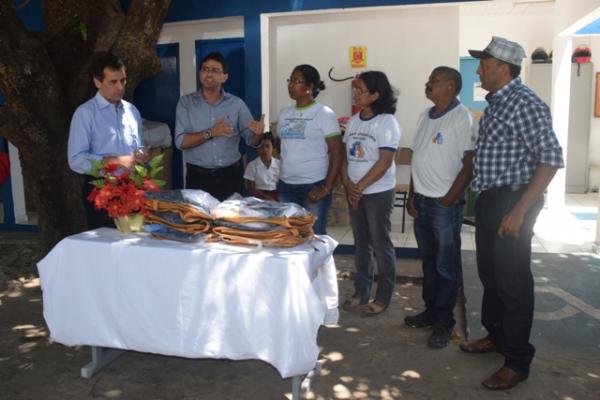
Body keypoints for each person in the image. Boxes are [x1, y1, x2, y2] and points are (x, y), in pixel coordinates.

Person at [461, 36, 564, 390]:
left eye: (484, 64)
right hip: (491, 199)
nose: (479, 69)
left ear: (502, 68)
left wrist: (520, 211)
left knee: (513, 282)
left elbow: (550, 158)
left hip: (514, 200)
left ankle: (518, 360)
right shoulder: (496, 103)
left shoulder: (525, 103)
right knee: (490, 276)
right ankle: (497, 336)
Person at [404, 66, 477, 348]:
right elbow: (418, 157)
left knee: (446, 267)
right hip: (422, 201)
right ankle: (431, 312)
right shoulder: (425, 115)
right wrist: (412, 194)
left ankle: (445, 324)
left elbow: (469, 164)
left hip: (444, 205)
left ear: (450, 86)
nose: (428, 85)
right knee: (429, 263)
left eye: (434, 81)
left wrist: (449, 199)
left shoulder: (463, 118)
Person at [340, 71, 401, 317]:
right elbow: (345, 159)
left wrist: (360, 187)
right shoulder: (354, 121)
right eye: (356, 88)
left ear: (376, 95)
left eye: (361, 89)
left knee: (380, 244)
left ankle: (383, 296)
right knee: (361, 244)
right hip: (356, 192)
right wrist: (348, 186)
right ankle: (361, 291)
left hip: (377, 192)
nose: (357, 93)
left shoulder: (387, 122)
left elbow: (385, 162)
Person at [68, 52, 146, 229]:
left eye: (123, 80)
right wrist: (116, 162)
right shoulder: (85, 113)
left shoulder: (132, 111)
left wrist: (140, 156)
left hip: (131, 189)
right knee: (105, 248)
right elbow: (75, 160)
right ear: (97, 82)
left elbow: (137, 148)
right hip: (101, 190)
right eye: (113, 82)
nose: (120, 87)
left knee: (133, 242)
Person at [175, 52, 264, 201]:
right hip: (198, 178)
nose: (209, 73)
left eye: (215, 70)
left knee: (231, 223)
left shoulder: (237, 104)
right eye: (205, 69)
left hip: (230, 177)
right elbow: (180, 142)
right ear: (200, 74)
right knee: (199, 223)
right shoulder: (186, 104)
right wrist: (211, 132)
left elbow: (252, 141)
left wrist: (258, 134)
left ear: (225, 77)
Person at [277, 64, 344, 235]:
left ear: (309, 87)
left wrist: (326, 188)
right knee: (288, 237)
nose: (290, 85)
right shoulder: (284, 114)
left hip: (313, 187)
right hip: (286, 186)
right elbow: (282, 147)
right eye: (290, 80)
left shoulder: (324, 114)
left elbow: (337, 152)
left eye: (296, 81)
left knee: (314, 238)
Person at [244, 133, 280, 201]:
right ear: (257, 149)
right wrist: (266, 198)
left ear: (273, 148)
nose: (265, 149)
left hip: (276, 195)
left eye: (268, 146)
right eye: (261, 147)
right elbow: (251, 188)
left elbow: (282, 186)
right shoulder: (252, 165)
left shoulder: (279, 164)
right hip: (258, 196)